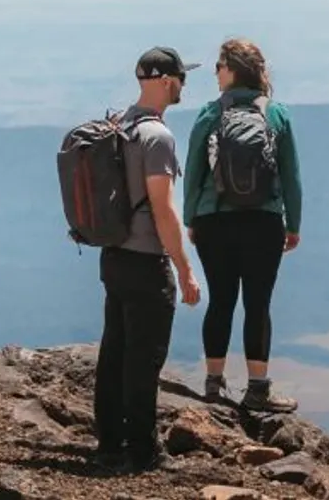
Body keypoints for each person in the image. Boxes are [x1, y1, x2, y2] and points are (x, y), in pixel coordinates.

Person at [95, 46, 204, 474]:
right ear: (165, 81)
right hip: (145, 262)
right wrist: (184, 267)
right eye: (180, 78)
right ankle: (143, 450)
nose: (183, 85)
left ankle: (109, 442)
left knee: (115, 352)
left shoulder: (118, 123)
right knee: (144, 359)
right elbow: (163, 209)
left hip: (114, 255)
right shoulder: (157, 137)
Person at [182, 37, 304, 412]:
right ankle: (257, 389)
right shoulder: (276, 114)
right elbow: (291, 175)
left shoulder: (209, 114)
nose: (216, 74)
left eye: (219, 66)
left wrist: (191, 218)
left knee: (220, 301)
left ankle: (214, 385)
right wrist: (292, 224)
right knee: (258, 304)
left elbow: (194, 173)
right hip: (264, 222)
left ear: (232, 70)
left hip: (214, 220)